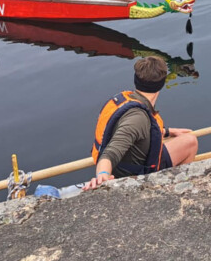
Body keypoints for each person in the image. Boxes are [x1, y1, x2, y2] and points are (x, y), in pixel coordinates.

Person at [84, 56, 198, 190]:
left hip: (124, 164)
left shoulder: (125, 100)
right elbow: (110, 153)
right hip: (133, 173)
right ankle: (178, 187)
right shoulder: (137, 118)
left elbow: (137, 132)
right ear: (161, 84)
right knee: (190, 142)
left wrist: (168, 132)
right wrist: (102, 176)